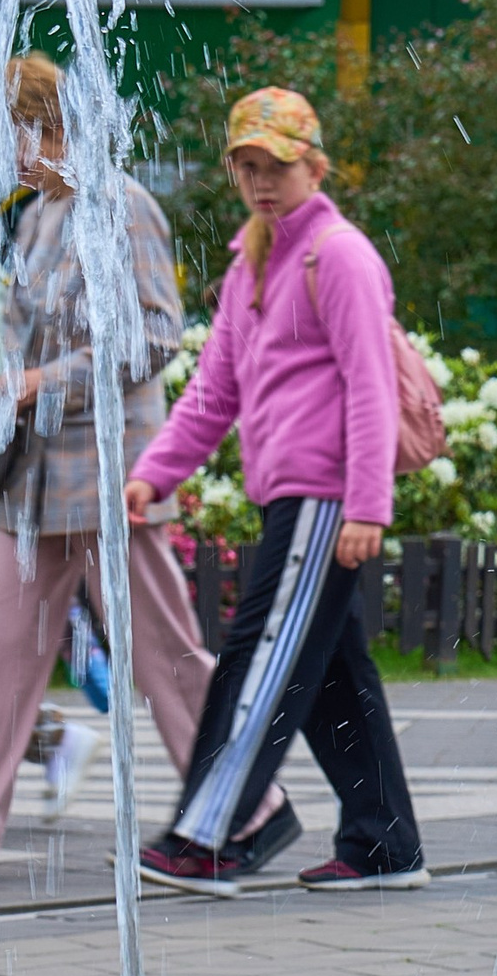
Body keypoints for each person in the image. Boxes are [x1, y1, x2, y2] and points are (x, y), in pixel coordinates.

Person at [0, 70, 220, 885]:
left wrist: (42, 381)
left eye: (6, 133)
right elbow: (17, 336)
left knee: (164, 654)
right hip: (28, 483)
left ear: (47, 128)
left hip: (104, 474)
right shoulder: (37, 218)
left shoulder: (120, 203)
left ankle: (240, 807)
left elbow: (157, 336)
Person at [129, 86, 425, 895]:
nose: (263, 182)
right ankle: (384, 843)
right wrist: (157, 469)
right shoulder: (251, 261)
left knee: (256, 659)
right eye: (247, 166)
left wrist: (368, 505)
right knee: (332, 677)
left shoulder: (341, 256)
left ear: (315, 166)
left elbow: (370, 389)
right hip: (293, 497)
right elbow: (212, 392)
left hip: (326, 499)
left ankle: (211, 833)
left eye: (278, 167)